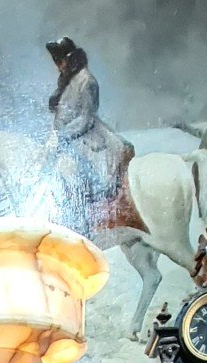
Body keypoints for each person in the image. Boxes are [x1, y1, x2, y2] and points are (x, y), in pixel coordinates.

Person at [44, 35, 134, 226]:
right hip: (68, 138)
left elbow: (86, 118)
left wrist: (63, 135)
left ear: (69, 59)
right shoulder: (67, 81)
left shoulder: (87, 81)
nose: (58, 66)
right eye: (56, 62)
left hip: (89, 139)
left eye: (60, 61)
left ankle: (83, 219)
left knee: (77, 174)